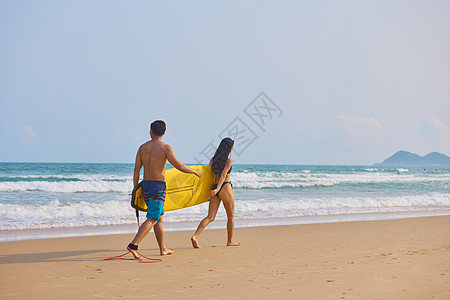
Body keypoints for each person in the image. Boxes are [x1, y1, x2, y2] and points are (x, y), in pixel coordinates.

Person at [127, 120, 202, 258]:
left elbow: (136, 170)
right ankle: (134, 245)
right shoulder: (166, 148)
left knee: (159, 218)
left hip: (145, 186)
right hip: (158, 187)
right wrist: (195, 172)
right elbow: (179, 166)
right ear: (164, 132)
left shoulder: (142, 148)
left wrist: (135, 188)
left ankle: (163, 248)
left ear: (151, 131)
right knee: (153, 218)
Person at [191, 137, 240, 248]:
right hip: (224, 187)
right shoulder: (229, 161)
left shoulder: (213, 159)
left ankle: (195, 236)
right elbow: (223, 175)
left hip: (213, 188)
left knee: (210, 217)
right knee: (231, 216)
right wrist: (218, 189)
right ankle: (230, 241)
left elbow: (208, 175)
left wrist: (212, 190)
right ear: (229, 148)